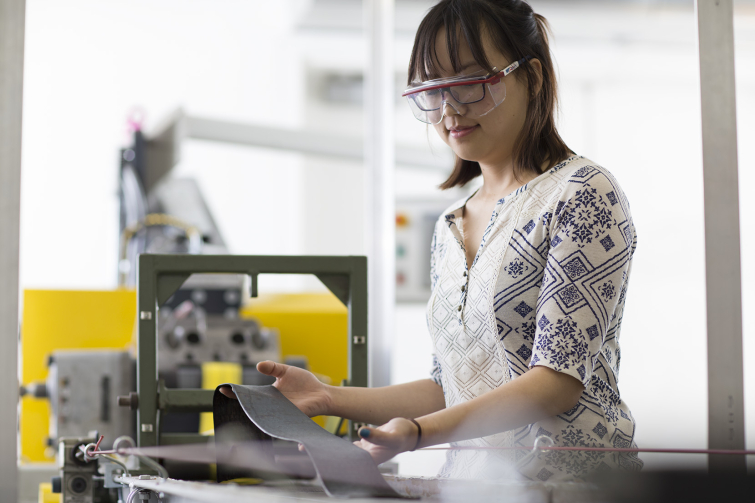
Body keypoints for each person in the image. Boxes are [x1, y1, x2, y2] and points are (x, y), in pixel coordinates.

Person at [222, 0, 643, 481]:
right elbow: (451, 386)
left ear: (533, 77)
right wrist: (330, 396)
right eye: (432, 89)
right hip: (477, 488)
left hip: (571, 486)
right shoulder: (450, 224)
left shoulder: (582, 193)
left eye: (468, 83)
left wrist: (418, 433)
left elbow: (556, 382)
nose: (449, 110)